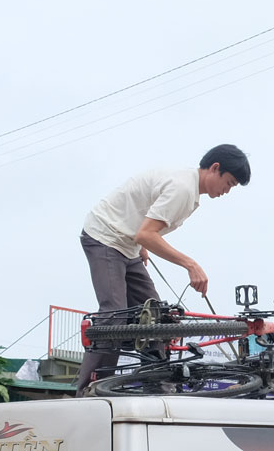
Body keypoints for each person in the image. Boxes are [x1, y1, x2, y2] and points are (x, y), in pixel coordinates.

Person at [74, 144, 251, 392]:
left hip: (129, 243)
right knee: (115, 315)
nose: (227, 191)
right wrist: (190, 264)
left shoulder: (188, 189)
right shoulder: (182, 188)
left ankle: (157, 387)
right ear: (215, 168)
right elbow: (147, 233)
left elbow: (146, 225)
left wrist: (143, 243)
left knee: (157, 317)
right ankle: (90, 390)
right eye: (229, 183)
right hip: (105, 236)